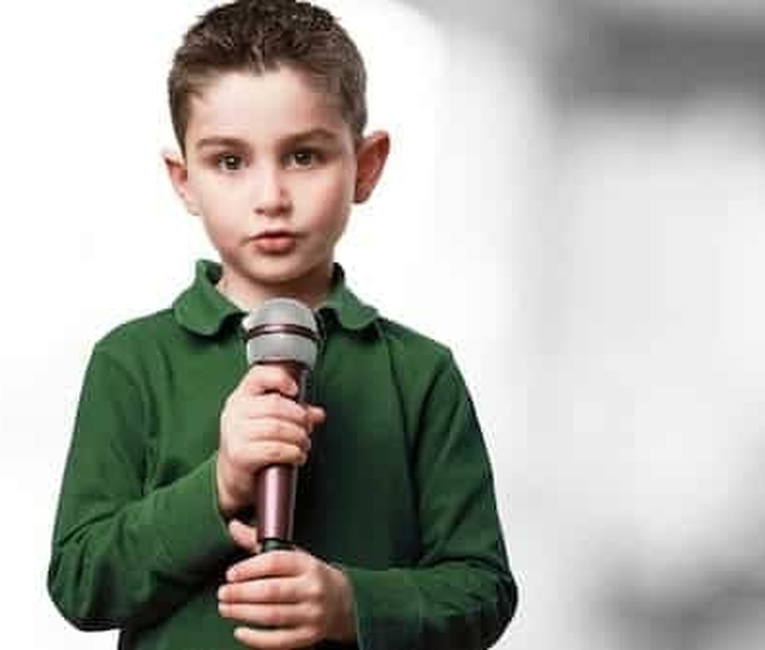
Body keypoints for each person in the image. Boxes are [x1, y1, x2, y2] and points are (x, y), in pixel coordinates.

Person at [46, 1, 517, 649]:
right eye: (230, 162)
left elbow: (483, 590)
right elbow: (79, 583)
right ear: (184, 181)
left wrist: (351, 604)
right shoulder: (131, 360)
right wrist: (218, 485)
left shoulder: (420, 373)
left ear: (366, 165)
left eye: (303, 156)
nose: (270, 197)